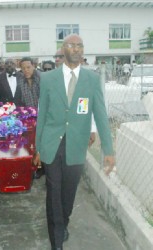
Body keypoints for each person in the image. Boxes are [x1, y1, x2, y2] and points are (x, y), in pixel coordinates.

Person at [33, 34, 115, 250]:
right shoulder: (48, 78)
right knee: (53, 192)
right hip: (52, 144)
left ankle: (63, 222)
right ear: (63, 48)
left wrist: (108, 149)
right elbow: (42, 115)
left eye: (80, 46)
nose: (76, 49)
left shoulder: (91, 79)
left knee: (68, 193)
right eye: (72, 45)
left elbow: (100, 114)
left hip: (77, 146)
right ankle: (56, 239)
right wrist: (38, 147)